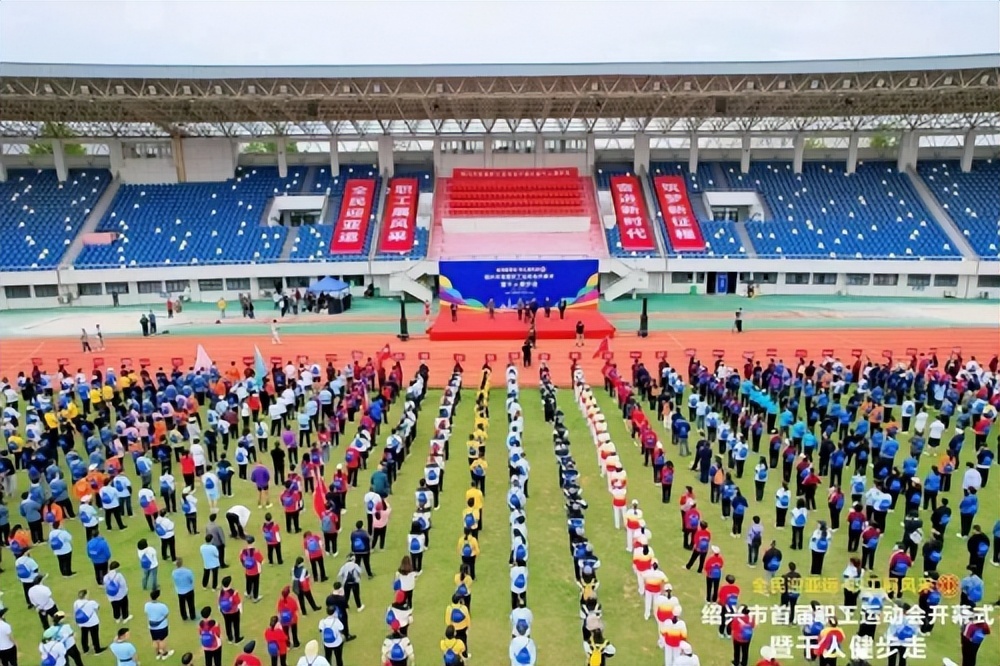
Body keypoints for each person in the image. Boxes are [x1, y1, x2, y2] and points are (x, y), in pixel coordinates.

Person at [143, 589, 173, 660]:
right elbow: (166, 614)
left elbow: (146, 612)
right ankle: (164, 654)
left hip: (152, 627)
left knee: (154, 640)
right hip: (162, 626)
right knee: (162, 640)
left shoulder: (147, 605)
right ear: (158, 597)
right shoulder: (162, 606)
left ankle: (157, 654)